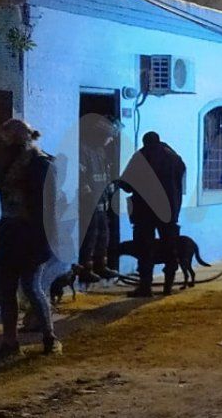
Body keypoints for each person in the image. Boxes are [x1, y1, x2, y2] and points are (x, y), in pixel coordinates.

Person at [0, 118, 61, 358]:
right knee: (16, 288)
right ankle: (17, 341)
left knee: (28, 287)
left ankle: (47, 337)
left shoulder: (40, 165)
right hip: (14, 233)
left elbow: (46, 205)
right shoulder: (29, 163)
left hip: (27, 233)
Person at [117, 132, 185, 297]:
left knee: (144, 249)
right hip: (169, 211)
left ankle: (145, 287)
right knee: (170, 248)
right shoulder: (174, 157)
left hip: (144, 212)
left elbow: (126, 185)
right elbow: (181, 178)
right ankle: (168, 287)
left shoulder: (140, 156)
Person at [79, 118, 119, 279]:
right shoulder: (83, 150)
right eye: (109, 137)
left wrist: (110, 191)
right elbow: (80, 176)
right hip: (89, 204)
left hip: (102, 202)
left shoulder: (101, 151)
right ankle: (85, 270)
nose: (110, 140)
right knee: (90, 237)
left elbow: (106, 174)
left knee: (103, 235)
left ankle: (101, 266)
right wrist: (87, 197)